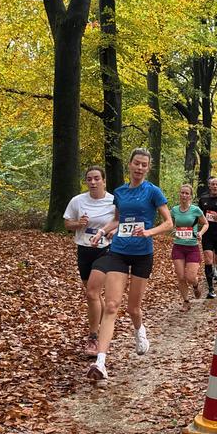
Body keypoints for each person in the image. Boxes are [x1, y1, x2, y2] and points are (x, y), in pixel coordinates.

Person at [86, 149, 172, 386]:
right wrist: (103, 232)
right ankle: (100, 363)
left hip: (143, 254)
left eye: (144, 165)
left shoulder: (153, 191)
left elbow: (168, 222)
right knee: (112, 305)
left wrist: (149, 232)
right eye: (136, 163)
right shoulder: (121, 192)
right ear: (130, 164)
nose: (140, 168)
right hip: (119, 252)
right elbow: (118, 219)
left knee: (134, 308)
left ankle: (139, 330)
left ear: (148, 168)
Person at [63, 166, 114, 357]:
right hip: (84, 249)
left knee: (92, 292)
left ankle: (93, 338)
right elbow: (67, 224)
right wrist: (78, 224)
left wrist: (113, 231)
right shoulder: (77, 201)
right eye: (89, 179)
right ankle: (102, 328)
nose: (93, 182)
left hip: (106, 250)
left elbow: (121, 222)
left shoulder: (113, 201)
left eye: (96, 179)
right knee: (93, 294)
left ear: (104, 181)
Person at [170, 183, 208, 311]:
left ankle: (196, 285)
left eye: (187, 193)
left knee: (190, 277)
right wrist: (173, 231)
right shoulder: (174, 210)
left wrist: (200, 233)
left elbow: (206, 224)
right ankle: (186, 301)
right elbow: (171, 225)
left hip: (192, 247)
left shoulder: (196, 210)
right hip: (178, 246)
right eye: (182, 193)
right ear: (179, 194)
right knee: (180, 277)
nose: (184, 195)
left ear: (191, 196)